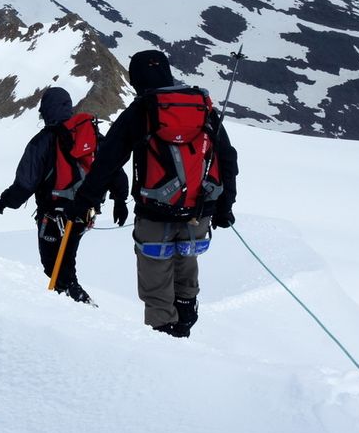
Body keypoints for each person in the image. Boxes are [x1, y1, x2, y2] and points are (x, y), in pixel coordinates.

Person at [69, 50, 239, 336]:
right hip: (199, 212)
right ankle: (186, 311)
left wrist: (84, 201)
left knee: (156, 275)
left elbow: (107, 163)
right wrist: (225, 206)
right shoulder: (201, 107)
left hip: (154, 212)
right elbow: (227, 159)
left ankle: (164, 338)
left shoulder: (141, 111)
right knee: (186, 259)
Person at [0, 87, 129, 304]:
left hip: (54, 216)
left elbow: (25, 184)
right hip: (83, 213)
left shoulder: (42, 141)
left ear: (45, 110)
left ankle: (76, 306)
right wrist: (120, 200)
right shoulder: (91, 136)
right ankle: (72, 300)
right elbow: (114, 170)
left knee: (54, 266)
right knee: (65, 262)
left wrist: (3, 202)